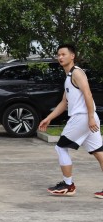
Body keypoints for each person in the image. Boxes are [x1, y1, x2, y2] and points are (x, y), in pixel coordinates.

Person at [38, 44, 103, 198]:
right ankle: (68, 185)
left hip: (82, 117)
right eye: (58, 55)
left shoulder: (77, 73)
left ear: (72, 56)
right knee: (99, 152)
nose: (60, 57)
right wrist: (48, 118)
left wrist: (90, 117)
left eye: (63, 54)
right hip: (86, 118)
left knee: (60, 148)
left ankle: (68, 185)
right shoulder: (68, 77)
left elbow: (88, 94)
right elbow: (64, 103)